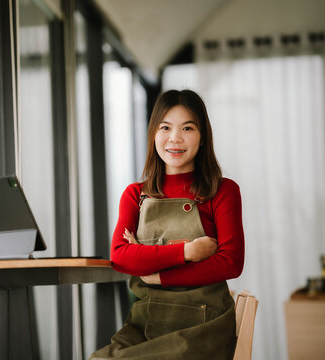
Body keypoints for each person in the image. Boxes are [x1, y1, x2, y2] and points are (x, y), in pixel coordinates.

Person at [89, 89, 244, 360]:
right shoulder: (135, 195)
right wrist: (188, 252)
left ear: (202, 136)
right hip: (147, 323)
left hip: (204, 325)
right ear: (154, 134)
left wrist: (158, 275)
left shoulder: (223, 191)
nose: (175, 138)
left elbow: (231, 262)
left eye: (187, 128)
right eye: (165, 128)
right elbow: (121, 257)